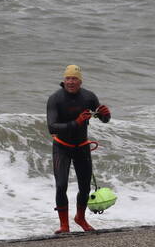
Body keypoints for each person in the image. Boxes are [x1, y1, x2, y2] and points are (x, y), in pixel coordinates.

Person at [46, 64, 110, 233]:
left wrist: (106, 114)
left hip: (82, 147)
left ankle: (80, 218)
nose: (71, 82)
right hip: (62, 147)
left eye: (74, 79)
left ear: (80, 81)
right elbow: (52, 127)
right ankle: (64, 225)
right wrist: (77, 122)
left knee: (85, 187)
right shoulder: (55, 99)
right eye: (68, 78)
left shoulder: (89, 97)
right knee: (61, 186)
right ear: (64, 80)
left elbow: (103, 119)